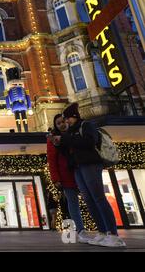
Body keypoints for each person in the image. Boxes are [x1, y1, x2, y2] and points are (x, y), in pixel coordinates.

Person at [53, 103, 126, 248]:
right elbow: (67, 153)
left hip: (90, 164)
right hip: (78, 167)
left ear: (74, 116)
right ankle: (102, 231)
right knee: (89, 200)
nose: (66, 121)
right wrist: (58, 143)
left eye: (67, 118)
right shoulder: (71, 132)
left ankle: (113, 234)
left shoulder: (86, 125)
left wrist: (65, 139)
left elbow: (88, 141)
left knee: (98, 197)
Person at [47, 114, 89, 242]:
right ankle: (81, 230)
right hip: (66, 175)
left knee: (90, 199)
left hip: (80, 170)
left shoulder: (75, 133)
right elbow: (52, 160)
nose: (61, 125)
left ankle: (102, 229)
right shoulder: (53, 139)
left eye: (63, 122)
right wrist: (56, 178)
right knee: (73, 202)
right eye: (58, 123)